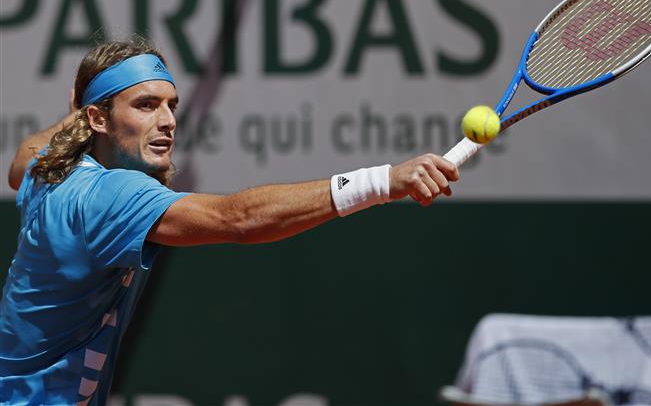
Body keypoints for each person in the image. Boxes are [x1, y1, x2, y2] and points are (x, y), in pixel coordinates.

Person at [0, 38, 459, 405]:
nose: (167, 121)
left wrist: (81, 111)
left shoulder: (50, 170)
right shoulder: (109, 196)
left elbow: (20, 159)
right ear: (99, 119)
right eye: (145, 105)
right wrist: (383, 181)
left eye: (171, 105)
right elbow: (239, 218)